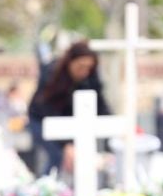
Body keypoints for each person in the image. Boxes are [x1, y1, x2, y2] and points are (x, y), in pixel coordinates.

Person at [27, 40, 110, 176]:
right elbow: (46, 108)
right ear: (70, 62)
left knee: (81, 160)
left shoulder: (90, 79)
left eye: (88, 67)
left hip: (72, 125)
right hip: (42, 120)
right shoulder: (51, 73)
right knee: (57, 156)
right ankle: (46, 191)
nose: (84, 71)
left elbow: (100, 105)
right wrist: (66, 144)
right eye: (80, 66)